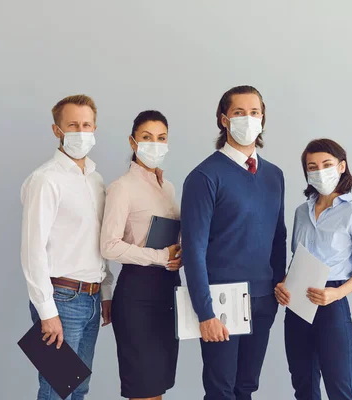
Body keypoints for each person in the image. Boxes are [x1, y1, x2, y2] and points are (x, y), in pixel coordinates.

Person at [181, 85, 287, 400]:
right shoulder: (204, 177)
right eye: (239, 112)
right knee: (221, 390)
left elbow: (277, 236)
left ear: (263, 118)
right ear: (224, 119)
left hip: (263, 299)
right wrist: (205, 312)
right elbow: (193, 250)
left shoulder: (274, 175)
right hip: (221, 301)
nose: (248, 119)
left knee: (246, 388)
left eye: (254, 112)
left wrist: (277, 285)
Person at [20, 94, 113, 400]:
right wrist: (47, 312)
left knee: (79, 389)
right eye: (73, 125)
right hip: (61, 299)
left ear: (95, 127)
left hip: (91, 298)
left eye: (86, 125)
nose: (81, 131)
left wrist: (106, 294)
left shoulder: (96, 180)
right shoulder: (45, 180)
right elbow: (32, 250)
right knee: (57, 390)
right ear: (56, 130)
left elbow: (99, 243)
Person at [274, 138, 352, 400]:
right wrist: (283, 285)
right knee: (304, 388)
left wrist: (337, 294)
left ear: (341, 166)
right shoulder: (300, 212)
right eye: (312, 166)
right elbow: (297, 258)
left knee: (340, 390)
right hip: (297, 305)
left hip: (331, 302)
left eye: (326, 164)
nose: (319, 171)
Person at [100, 110, 182, 400]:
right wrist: (161, 256)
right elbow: (108, 245)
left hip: (169, 292)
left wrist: (180, 252)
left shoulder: (169, 187)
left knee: (158, 386)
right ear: (133, 142)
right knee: (144, 388)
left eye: (161, 138)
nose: (155, 144)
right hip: (138, 294)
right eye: (147, 137)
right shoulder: (122, 188)